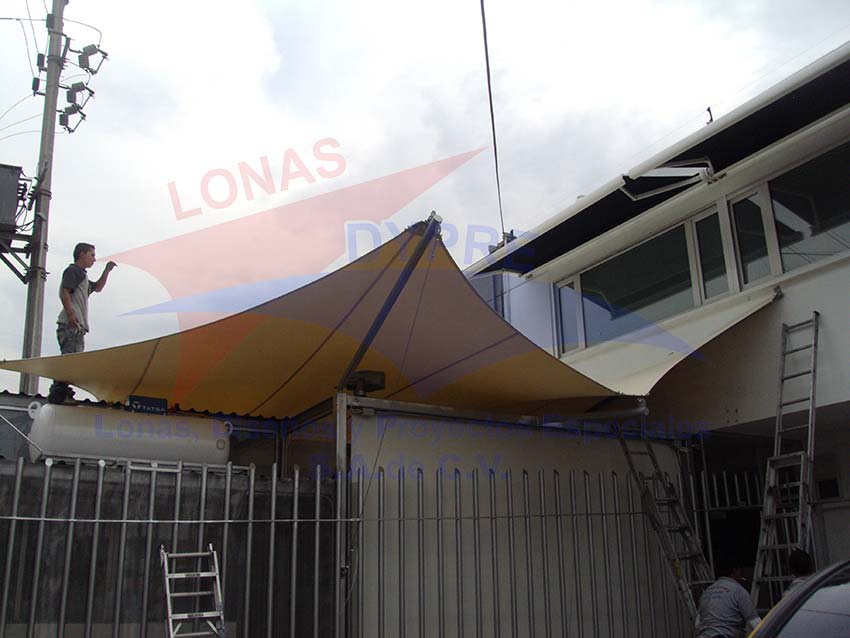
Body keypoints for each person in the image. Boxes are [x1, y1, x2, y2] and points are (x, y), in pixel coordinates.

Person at [47, 242, 116, 403]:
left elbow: (97, 287)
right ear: (82, 254)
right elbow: (64, 291)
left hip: (77, 327)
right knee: (69, 360)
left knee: (72, 361)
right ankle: (59, 394)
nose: (94, 259)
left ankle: (63, 392)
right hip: (71, 325)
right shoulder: (73, 271)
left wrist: (107, 271)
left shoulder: (82, 277)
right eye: (92, 255)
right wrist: (71, 314)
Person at [696, 560, 762, 638]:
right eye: (740, 570)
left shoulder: (707, 592)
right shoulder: (738, 591)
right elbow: (755, 624)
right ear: (735, 571)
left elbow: (697, 624)